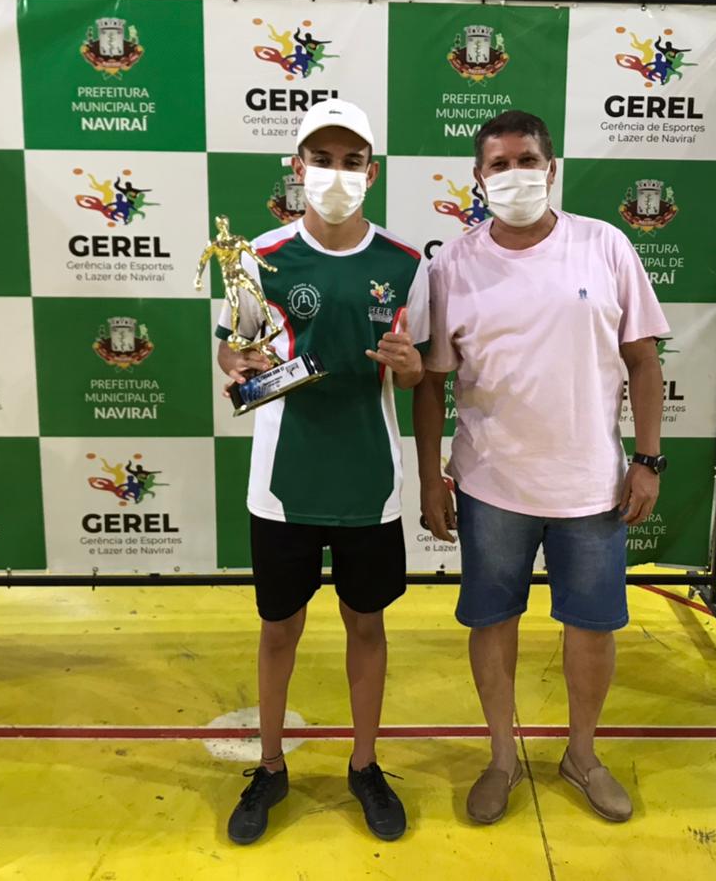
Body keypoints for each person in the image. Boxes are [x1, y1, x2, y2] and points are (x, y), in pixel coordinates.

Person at [415, 110, 669, 826]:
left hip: (591, 486)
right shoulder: (450, 265)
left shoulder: (605, 245)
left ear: (550, 169)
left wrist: (648, 459)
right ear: (478, 179)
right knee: (493, 622)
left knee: (592, 628)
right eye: (498, 165)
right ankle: (501, 757)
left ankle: (582, 755)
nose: (514, 174)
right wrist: (431, 477)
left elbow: (644, 361)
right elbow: (431, 384)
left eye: (526, 160)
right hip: (491, 486)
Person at [216, 99, 429, 845]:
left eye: (351, 161)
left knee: (366, 624)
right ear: (297, 166)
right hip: (283, 485)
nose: (336, 174)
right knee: (279, 628)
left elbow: (421, 370)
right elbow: (235, 346)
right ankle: (271, 766)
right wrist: (235, 362)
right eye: (322, 159)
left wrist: (411, 368)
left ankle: (364, 765)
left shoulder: (406, 263)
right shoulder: (258, 255)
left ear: (372, 172)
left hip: (369, 484)